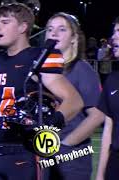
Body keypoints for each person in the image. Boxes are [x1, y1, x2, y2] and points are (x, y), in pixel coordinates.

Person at [0, 3, 84, 180]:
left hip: (26, 152)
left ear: (22, 27)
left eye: (5, 22)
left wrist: (50, 124)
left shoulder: (39, 57)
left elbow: (74, 100)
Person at [43, 12, 105, 180]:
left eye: (61, 29)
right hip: (43, 154)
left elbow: (97, 115)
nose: (53, 33)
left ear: (73, 38)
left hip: (71, 157)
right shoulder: (42, 70)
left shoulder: (82, 69)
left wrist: (67, 143)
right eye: (50, 29)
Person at [96, 16, 119, 180]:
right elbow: (108, 131)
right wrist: (100, 174)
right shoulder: (112, 80)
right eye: (114, 32)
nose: (114, 37)